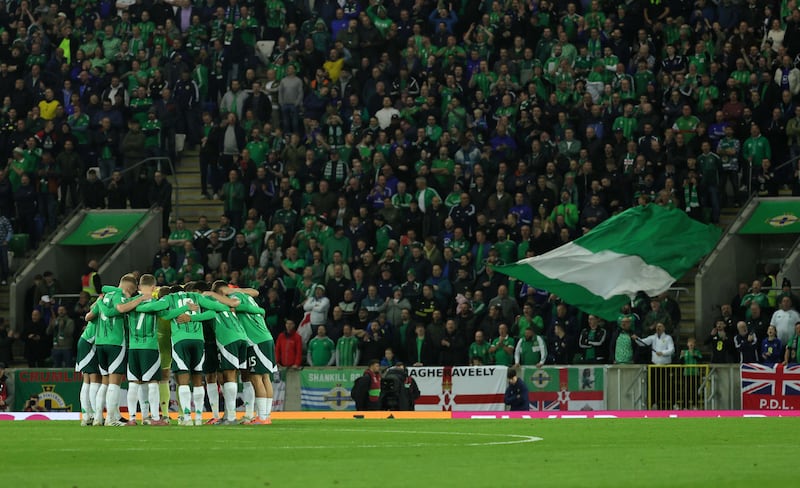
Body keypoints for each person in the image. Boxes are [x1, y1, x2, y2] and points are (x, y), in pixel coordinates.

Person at [126, 275, 197, 426]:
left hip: (133, 347)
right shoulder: (156, 303)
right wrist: (185, 307)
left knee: (134, 383)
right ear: (153, 287)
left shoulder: (129, 302)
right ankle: (156, 419)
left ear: (139, 286)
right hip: (150, 347)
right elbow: (168, 315)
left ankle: (133, 418)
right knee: (153, 382)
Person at [88, 275, 147, 426]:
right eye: (132, 292)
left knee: (105, 382)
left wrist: (100, 305)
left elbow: (89, 316)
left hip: (100, 342)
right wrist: (139, 299)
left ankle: (97, 418)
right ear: (129, 289)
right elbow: (121, 308)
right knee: (114, 382)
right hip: (115, 343)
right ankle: (111, 419)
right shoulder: (120, 296)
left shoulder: (105, 297)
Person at [218, 283, 277, 425]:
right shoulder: (248, 297)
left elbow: (232, 306)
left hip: (255, 340)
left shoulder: (234, 299)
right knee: (265, 377)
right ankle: (266, 416)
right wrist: (259, 310)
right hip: (267, 338)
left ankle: (262, 417)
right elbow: (255, 295)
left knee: (256, 378)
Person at [634, 323, 674, 409]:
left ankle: (667, 404)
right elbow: (643, 342)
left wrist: (662, 353)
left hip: (665, 366)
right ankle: (654, 403)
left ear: (664, 328)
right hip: (655, 366)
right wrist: (636, 339)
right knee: (654, 385)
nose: (658, 328)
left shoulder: (668, 338)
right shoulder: (653, 337)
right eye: (657, 327)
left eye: (660, 326)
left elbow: (671, 349)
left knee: (666, 386)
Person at [679, 338, 703, 409]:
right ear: (687, 344)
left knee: (695, 389)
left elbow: (700, 360)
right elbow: (681, 363)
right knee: (686, 390)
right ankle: (685, 406)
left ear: (694, 344)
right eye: (690, 343)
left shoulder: (697, 352)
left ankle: (694, 405)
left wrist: (694, 355)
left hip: (695, 373)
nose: (691, 344)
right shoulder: (684, 352)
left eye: (692, 343)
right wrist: (682, 357)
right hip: (687, 373)